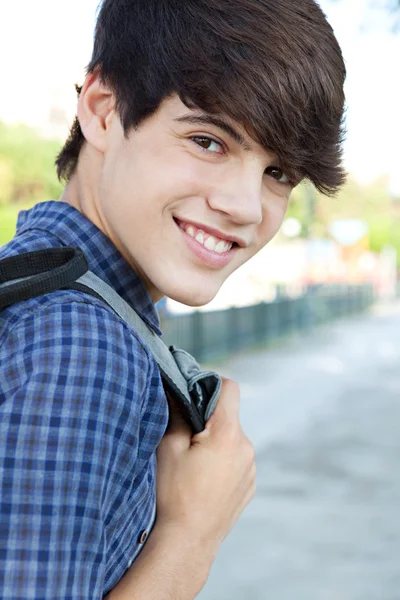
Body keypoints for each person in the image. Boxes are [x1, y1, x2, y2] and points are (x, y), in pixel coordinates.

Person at [0, 0, 346, 598]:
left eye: (280, 173)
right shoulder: (82, 347)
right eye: (209, 141)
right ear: (103, 110)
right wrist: (192, 535)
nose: (245, 206)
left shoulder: (33, 279)